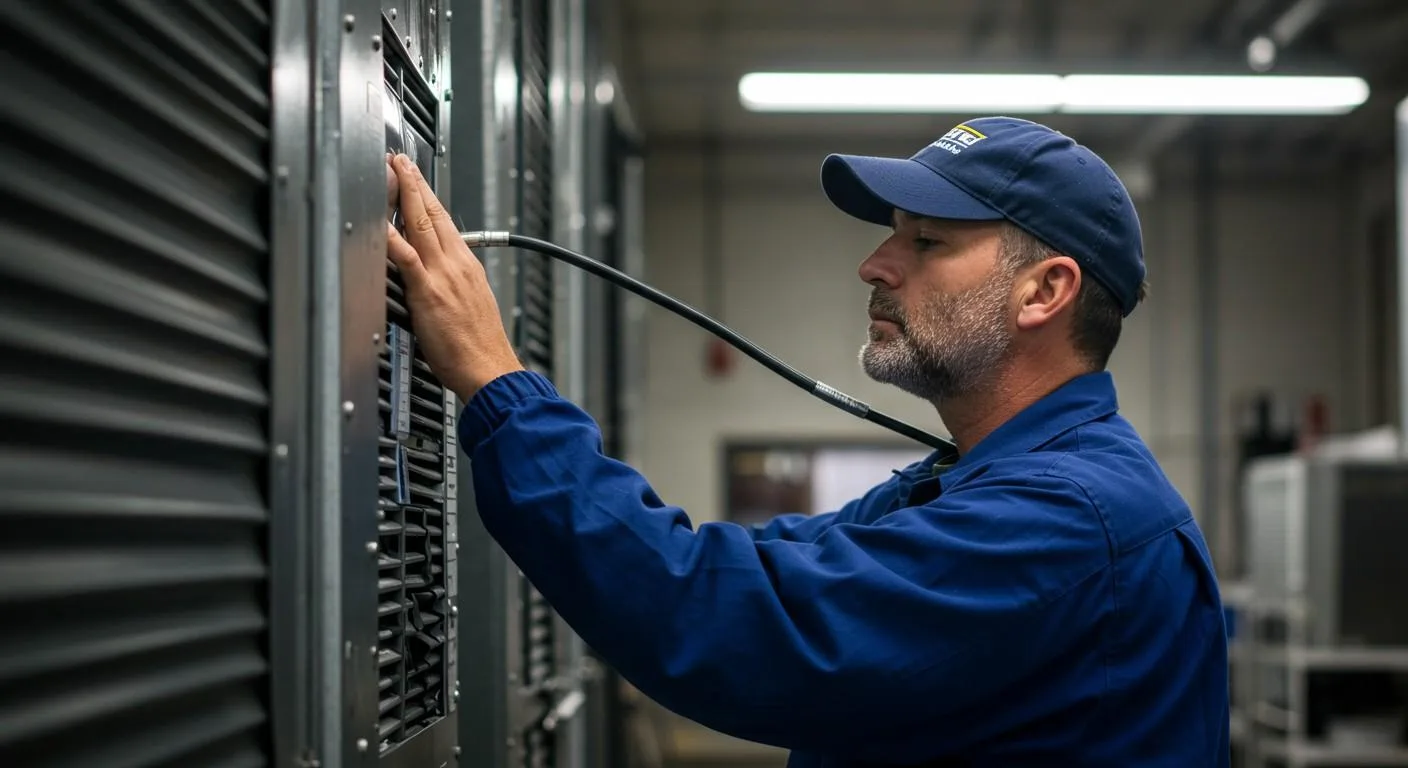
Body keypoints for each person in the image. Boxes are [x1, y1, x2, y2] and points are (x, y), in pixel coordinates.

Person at [384, 115, 1230, 767]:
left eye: (926, 240)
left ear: (1045, 290)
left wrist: (500, 388)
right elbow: (733, 575)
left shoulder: (1068, 519)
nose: (876, 264)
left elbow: (718, 621)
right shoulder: (965, 486)